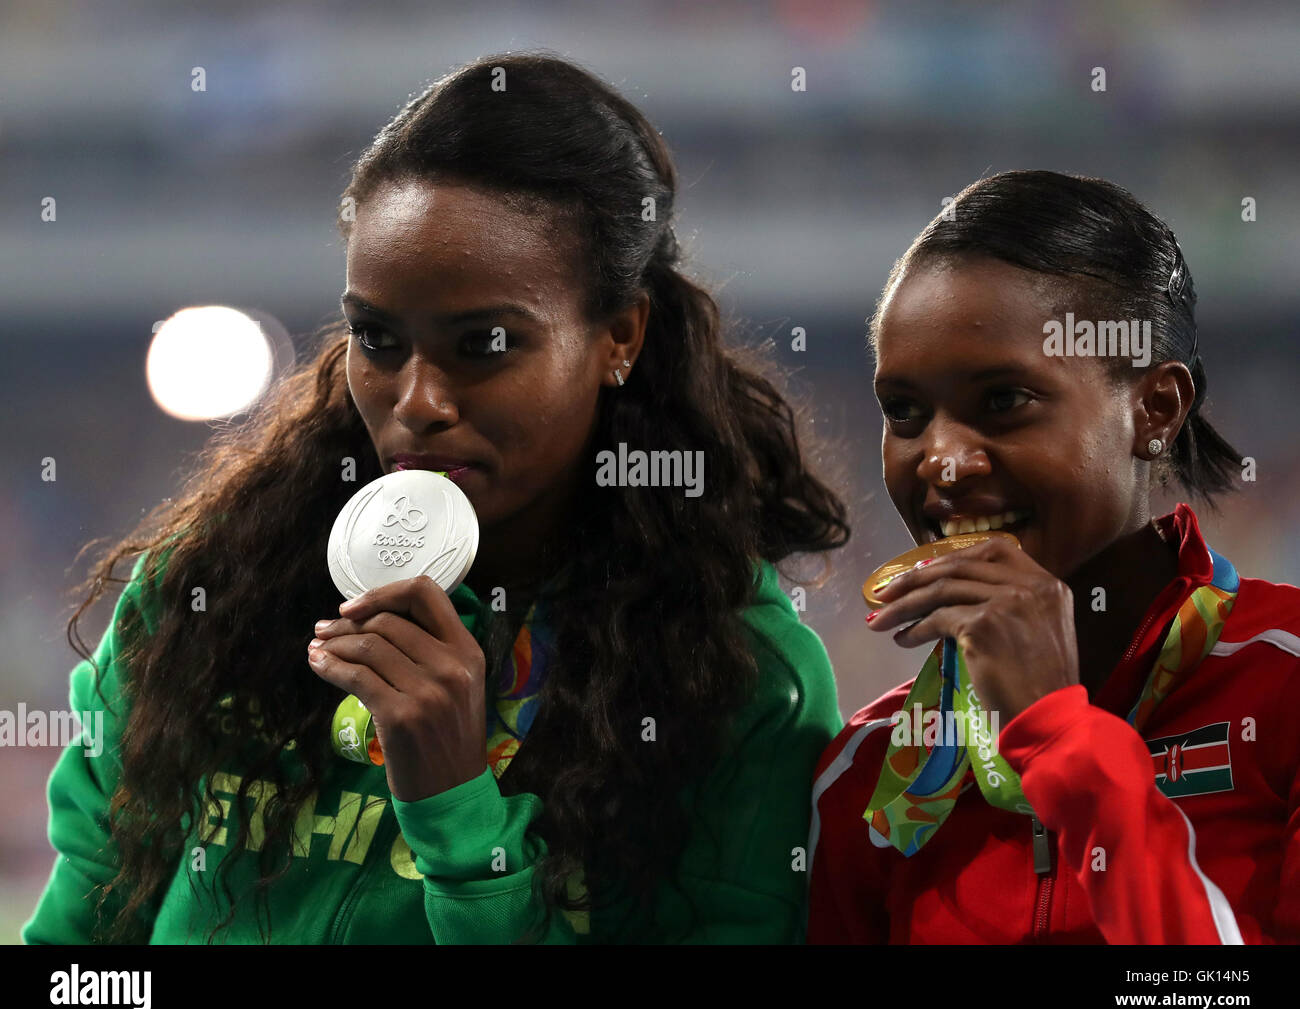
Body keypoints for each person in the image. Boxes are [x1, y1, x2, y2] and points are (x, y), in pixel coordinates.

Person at [22, 53, 850, 945]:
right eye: (376, 338)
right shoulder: (204, 596)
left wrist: (459, 817)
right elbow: (81, 953)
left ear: (620, 336)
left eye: (483, 343)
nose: (417, 403)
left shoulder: (740, 680)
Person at [807, 169, 1300, 944]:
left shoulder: (1286, 684)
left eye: (1002, 400)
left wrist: (1061, 738)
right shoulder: (870, 771)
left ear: (1155, 409)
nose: (941, 460)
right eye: (904, 411)